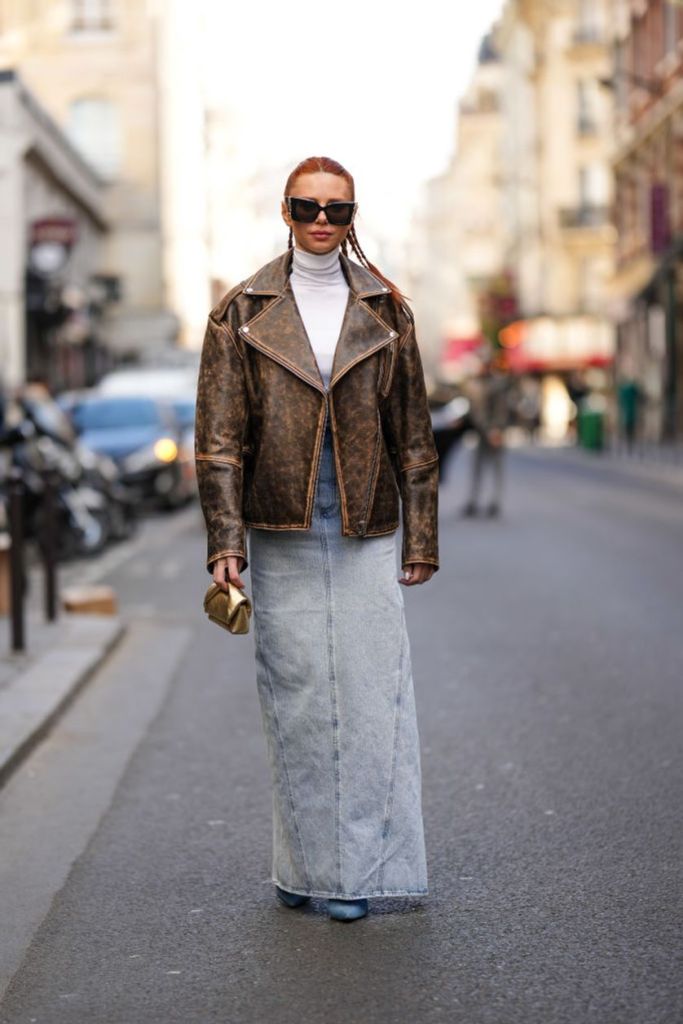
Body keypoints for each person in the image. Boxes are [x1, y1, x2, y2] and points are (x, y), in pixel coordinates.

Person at [194, 156, 439, 923]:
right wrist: (223, 539)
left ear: (353, 214)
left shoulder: (387, 310)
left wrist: (420, 534)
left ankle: (357, 873)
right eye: (308, 208)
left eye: (337, 209)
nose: (323, 222)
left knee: (372, 697)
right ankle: (304, 867)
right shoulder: (241, 311)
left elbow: (414, 433)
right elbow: (219, 440)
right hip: (278, 523)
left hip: (365, 519)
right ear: (286, 212)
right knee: (297, 700)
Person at [461, 354, 511, 518]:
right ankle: (473, 501)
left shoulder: (497, 384)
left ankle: (494, 501)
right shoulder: (473, 384)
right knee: (477, 467)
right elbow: (473, 410)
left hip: (493, 432)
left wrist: (496, 430)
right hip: (480, 431)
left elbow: (501, 410)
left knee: (495, 467)